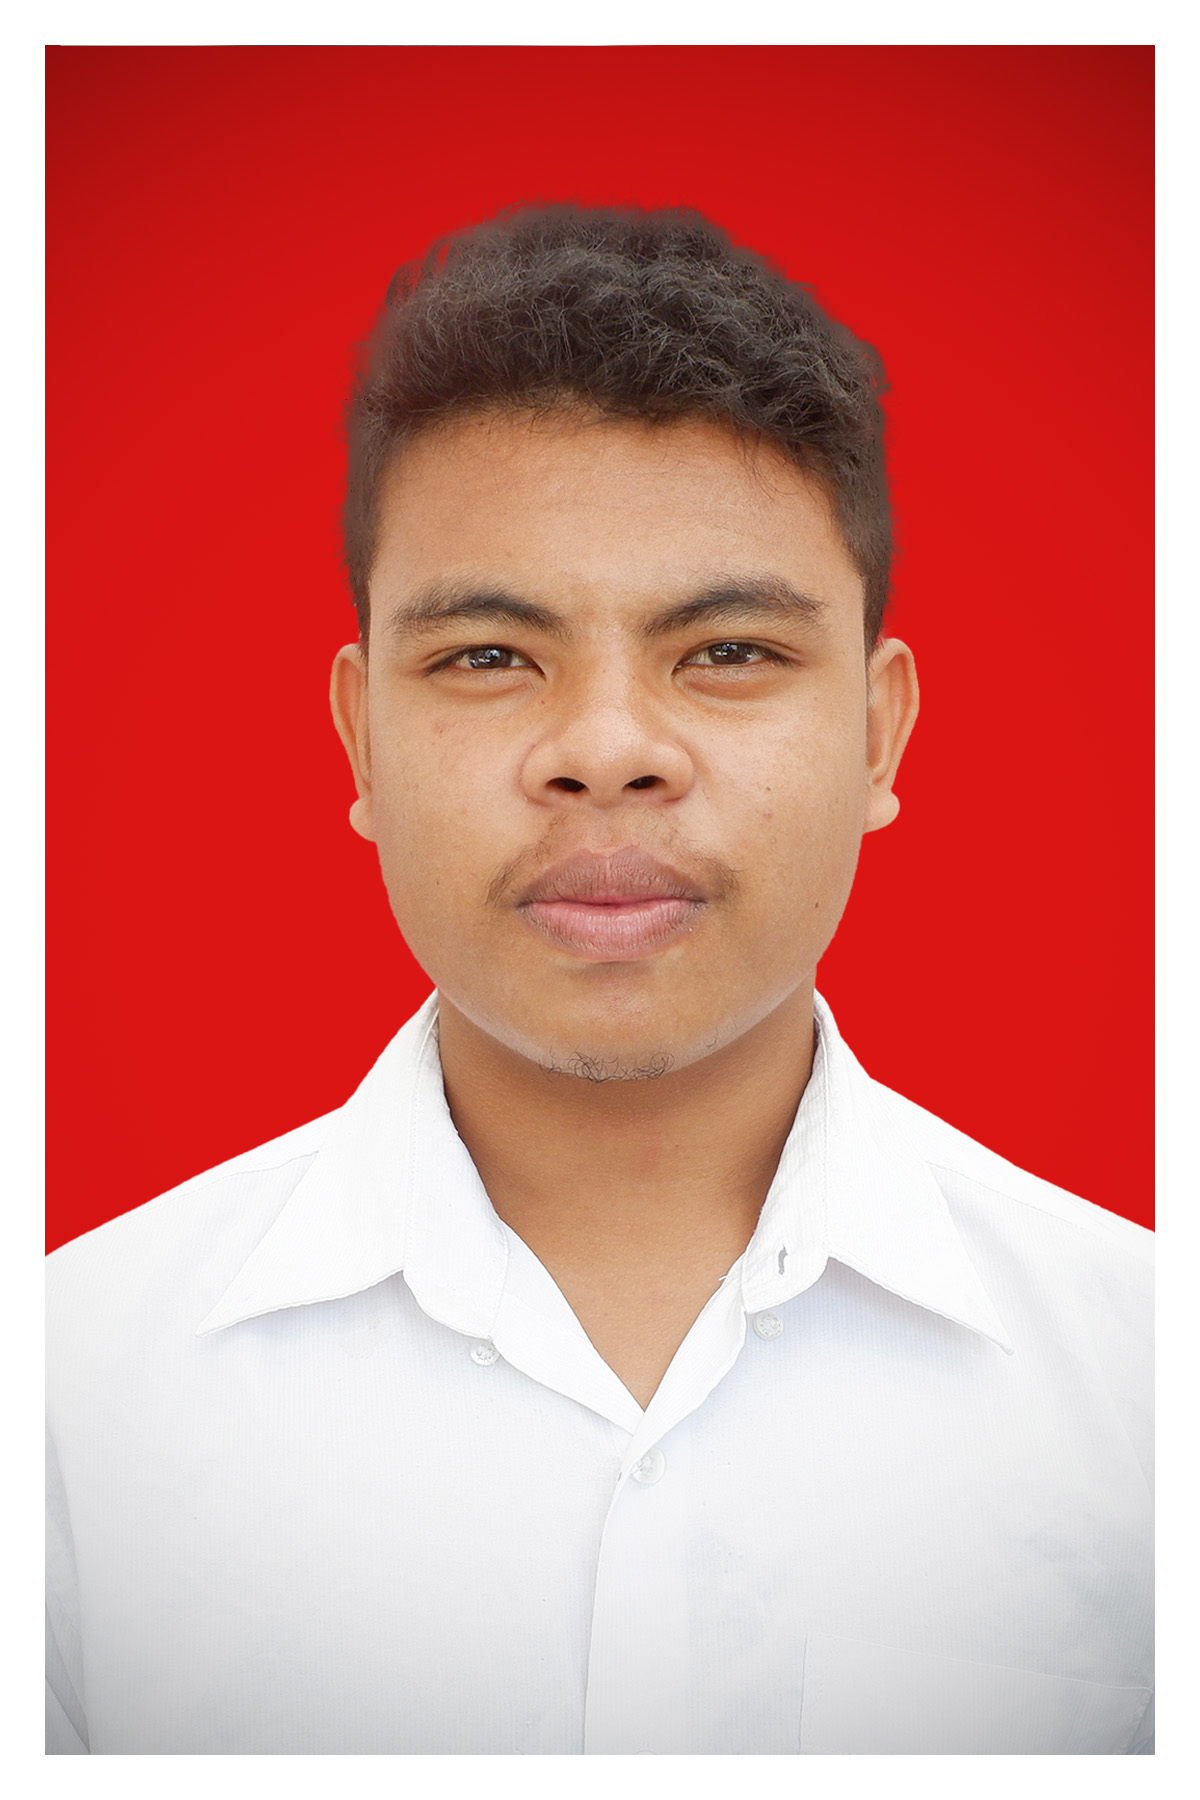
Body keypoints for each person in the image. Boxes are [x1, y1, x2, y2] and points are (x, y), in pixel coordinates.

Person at [46, 205, 1152, 1755]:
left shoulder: (1149, 1388)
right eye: (490, 657)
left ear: (879, 734)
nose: (610, 748)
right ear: (361, 737)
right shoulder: (65, 1402)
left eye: (730, 651)